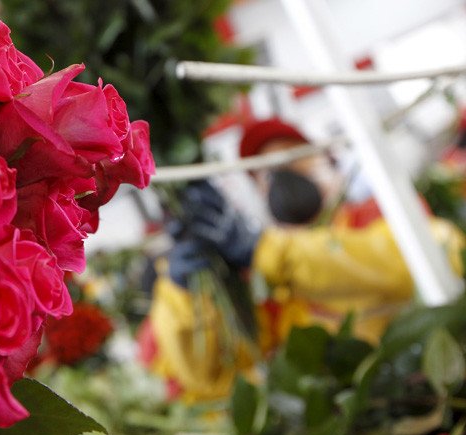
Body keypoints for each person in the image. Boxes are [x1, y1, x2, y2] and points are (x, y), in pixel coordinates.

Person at [142, 118, 465, 403]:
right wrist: (186, 295)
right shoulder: (268, 284)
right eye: (264, 173)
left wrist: (267, 251)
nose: (282, 177)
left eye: (293, 157)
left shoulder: (383, 216)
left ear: (329, 158)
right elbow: (214, 379)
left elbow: (434, 256)